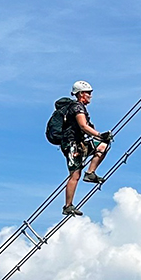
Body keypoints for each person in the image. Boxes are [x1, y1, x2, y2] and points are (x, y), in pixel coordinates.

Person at [58, 80, 110, 216]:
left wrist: (100, 138)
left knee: (103, 146)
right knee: (75, 175)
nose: (90, 96)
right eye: (88, 93)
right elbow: (83, 126)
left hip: (79, 144)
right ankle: (68, 206)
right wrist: (100, 135)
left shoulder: (79, 107)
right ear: (81, 94)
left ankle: (90, 173)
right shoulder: (77, 108)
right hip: (72, 145)